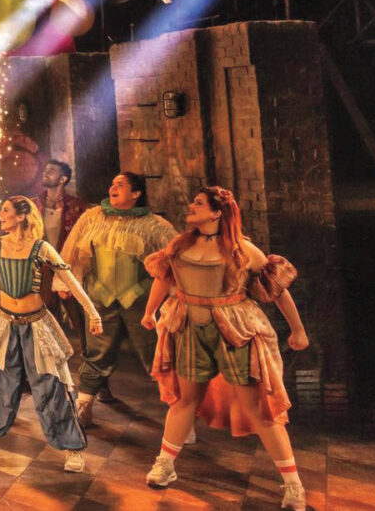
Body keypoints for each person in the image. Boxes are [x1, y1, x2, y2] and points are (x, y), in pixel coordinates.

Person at [141, 187, 310, 510]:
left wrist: (298, 329)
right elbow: (163, 278)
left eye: (198, 203)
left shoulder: (242, 250)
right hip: (189, 326)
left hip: (234, 331)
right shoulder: (180, 245)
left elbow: (278, 290)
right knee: (185, 400)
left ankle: (293, 484)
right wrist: (150, 311)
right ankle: (165, 464)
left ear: (218, 212)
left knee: (258, 409)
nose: (191, 206)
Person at [0, 197, 104, 473]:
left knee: (50, 385)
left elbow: (70, 282)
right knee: (0, 382)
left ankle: (72, 447)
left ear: (22, 216)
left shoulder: (41, 248)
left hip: (36, 324)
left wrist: (93, 313)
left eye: (6, 211)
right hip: (6, 323)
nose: (1, 215)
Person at [56, 172, 178, 426]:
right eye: (112, 183)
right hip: (99, 297)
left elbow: (177, 255)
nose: (113, 187)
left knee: (155, 353)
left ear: (136, 193)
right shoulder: (93, 217)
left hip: (140, 299)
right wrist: (63, 282)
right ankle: (84, 405)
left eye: (120, 185)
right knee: (96, 352)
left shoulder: (154, 225)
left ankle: (179, 415)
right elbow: (71, 249)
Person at [36, 160, 93, 355]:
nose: (45, 173)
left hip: (67, 267)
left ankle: (89, 356)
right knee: (43, 315)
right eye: (45, 170)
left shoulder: (77, 207)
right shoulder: (34, 205)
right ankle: (49, 357)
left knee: (79, 315)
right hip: (42, 268)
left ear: (63, 179)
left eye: (51, 171)